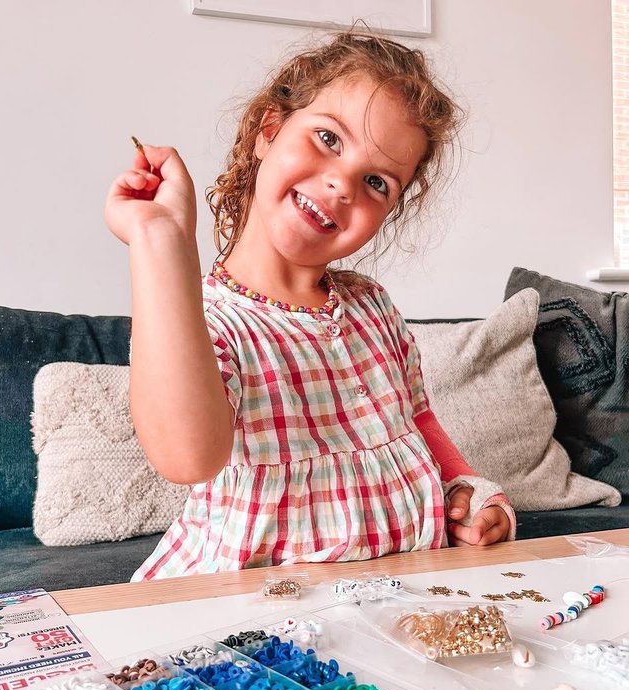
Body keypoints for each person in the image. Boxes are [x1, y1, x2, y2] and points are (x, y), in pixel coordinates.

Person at [105, 30, 515, 581]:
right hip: (252, 620)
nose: (342, 185)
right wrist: (162, 242)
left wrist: (468, 488)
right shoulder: (201, 322)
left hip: (395, 602)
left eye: (376, 182)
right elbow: (188, 457)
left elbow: (416, 417)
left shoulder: (372, 306)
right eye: (328, 139)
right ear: (268, 132)